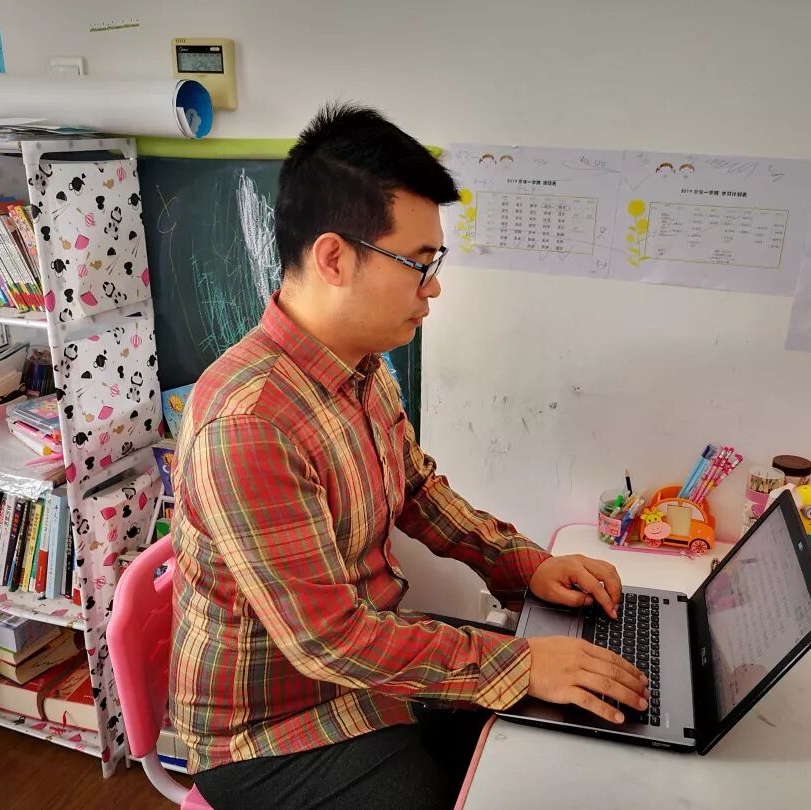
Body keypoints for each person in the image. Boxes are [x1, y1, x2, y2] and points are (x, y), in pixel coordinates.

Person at [169, 101, 649, 809]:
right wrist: (520, 665)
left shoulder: (364, 366)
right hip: (269, 729)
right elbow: (328, 640)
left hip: (361, 663)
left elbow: (417, 491)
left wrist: (528, 566)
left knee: (566, 711)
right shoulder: (249, 424)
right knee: (470, 773)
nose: (435, 287)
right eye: (418, 264)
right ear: (334, 258)